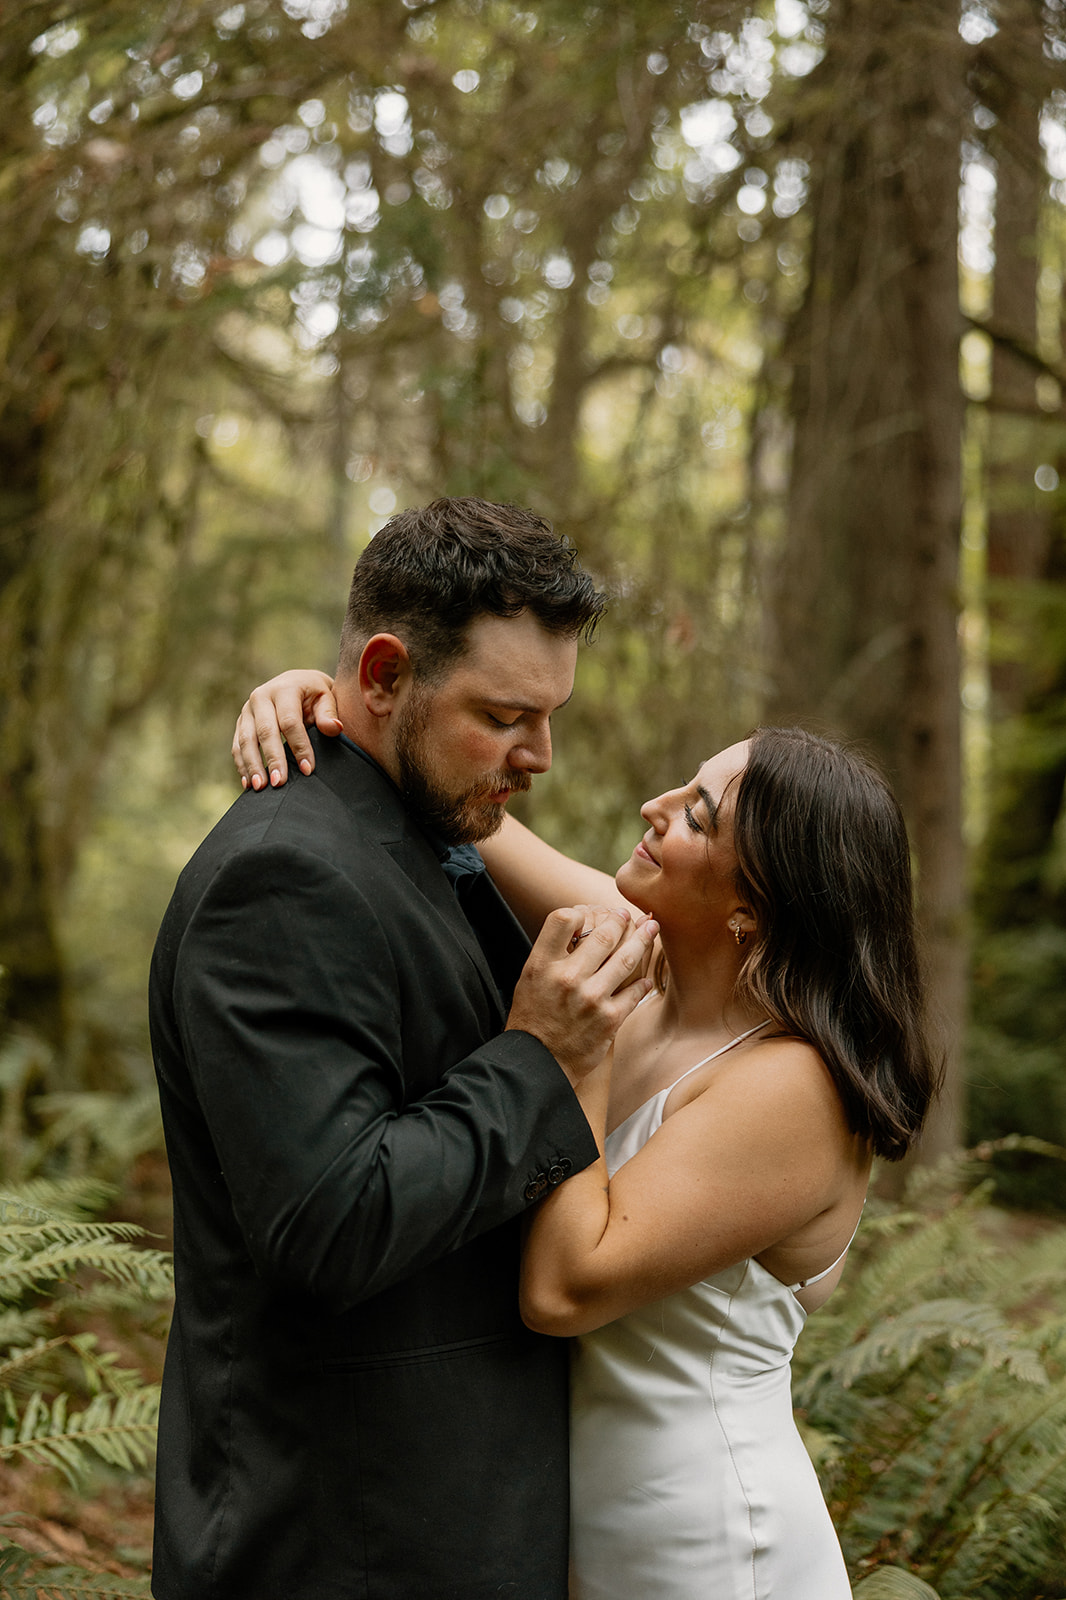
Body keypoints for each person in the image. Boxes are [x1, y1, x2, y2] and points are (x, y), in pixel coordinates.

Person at [236, 679, 940, 1600]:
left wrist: (571, 1045)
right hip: (569, 1516)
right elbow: (475, 820)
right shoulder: (648, 967)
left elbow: (564, 1289)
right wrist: (330, 699)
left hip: (702, 1539)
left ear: (752, 908)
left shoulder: (792, 1087)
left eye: (696, 813)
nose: (655, 806)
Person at [148, 498, 659, 1600]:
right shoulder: (281, 877)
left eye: (551, 713)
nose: (542, 755)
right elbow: (329, 1221)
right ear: (383, 677)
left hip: (445, 1520)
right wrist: (537, 1057)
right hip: (344, 1539)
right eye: (506, 715)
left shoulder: (424, 830)